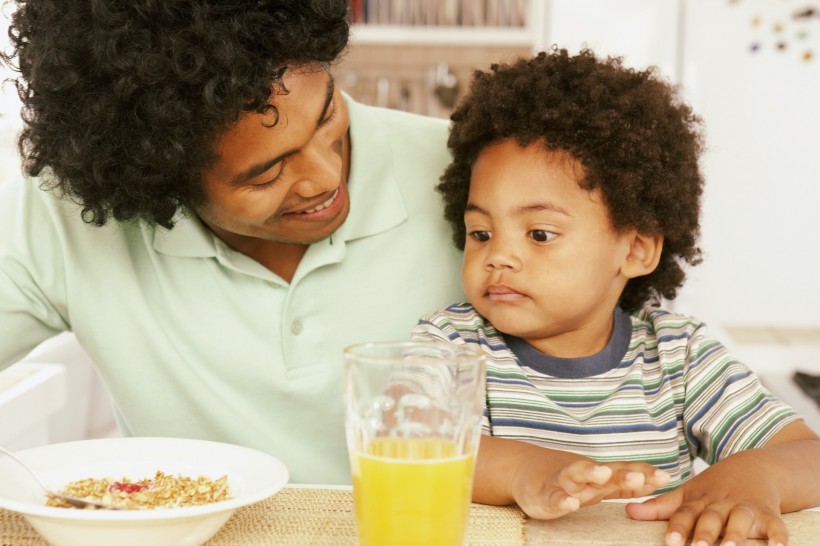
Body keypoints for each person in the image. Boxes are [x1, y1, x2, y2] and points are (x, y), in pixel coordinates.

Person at [0, 0, 463, 484]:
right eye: (266, 174)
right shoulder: (60, 219)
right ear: (162, 182)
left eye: (326, 117)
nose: (326, 178)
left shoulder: (475, 179)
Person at [412, 48, 820, 546]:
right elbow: (413, 446)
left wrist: (757, 480)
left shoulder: (679, 356)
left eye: (539, 234)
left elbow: (808, 455)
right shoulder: (452, 344)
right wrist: (525, 472)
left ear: (636, 249)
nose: (499, 256)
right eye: (480, 233)